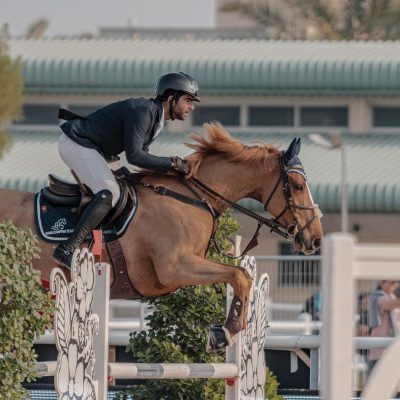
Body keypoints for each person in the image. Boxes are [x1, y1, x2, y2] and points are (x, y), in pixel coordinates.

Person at [52, 72, 200, 269]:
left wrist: (172, 170)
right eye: (188, 100)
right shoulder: (144, 111)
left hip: (96, 149)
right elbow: (135, 156)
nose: (191, 106)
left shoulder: (155, 117)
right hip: (77, 143)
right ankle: (66, 249)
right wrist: (172, 163)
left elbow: (142, 156)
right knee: (109, 193)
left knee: (128, 186)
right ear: (171, 98)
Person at [367, 280, 400, 376]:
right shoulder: (377, 298)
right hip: (380, 350)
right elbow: (393, 304)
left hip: (392, 346)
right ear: (381, 283)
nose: (395, 285)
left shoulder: (391, 297)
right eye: (392, 283)